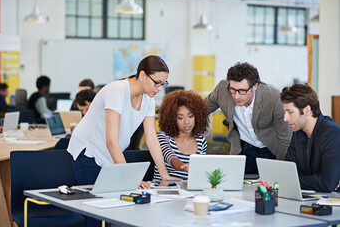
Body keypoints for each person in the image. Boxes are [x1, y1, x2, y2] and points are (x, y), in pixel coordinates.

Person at [67, 55, 180, 185]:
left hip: (111, 153)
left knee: (115, 196)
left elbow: (152, 140)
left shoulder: (149, 99)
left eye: (163, 84)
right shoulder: (117, 91)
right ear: (142, 75)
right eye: (157, 83)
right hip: (88, 150)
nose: (160, 88)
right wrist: (131, 179)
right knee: (96, 199)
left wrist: (164, 174)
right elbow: (111, 141)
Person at [204, 62, 291, 174]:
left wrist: (281, 167)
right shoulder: (222, 89)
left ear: (255, 86)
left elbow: (284, 138)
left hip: (271, 150)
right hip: (243, 149)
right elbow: (201, 109)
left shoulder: (274, 98)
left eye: (242, 91)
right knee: (239, 186)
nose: (236, 96)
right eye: (233, 90)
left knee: (270, 188)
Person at [281, 84, 340, 192]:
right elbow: (288, 173)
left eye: (290, 112)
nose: (285, 118)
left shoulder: (332, 133)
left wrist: (294, 180)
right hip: (312, 197)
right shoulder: (297, 133)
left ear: (307, 110)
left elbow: (327, 183)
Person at [153, 90, 209, 181]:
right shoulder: (163, 137)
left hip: (189, 191)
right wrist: (185, 167)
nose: (187, 122)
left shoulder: (201, 140)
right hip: (165, 189)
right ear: (172, 119)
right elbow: (170, 157)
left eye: (190, 116)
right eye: (180, 118)